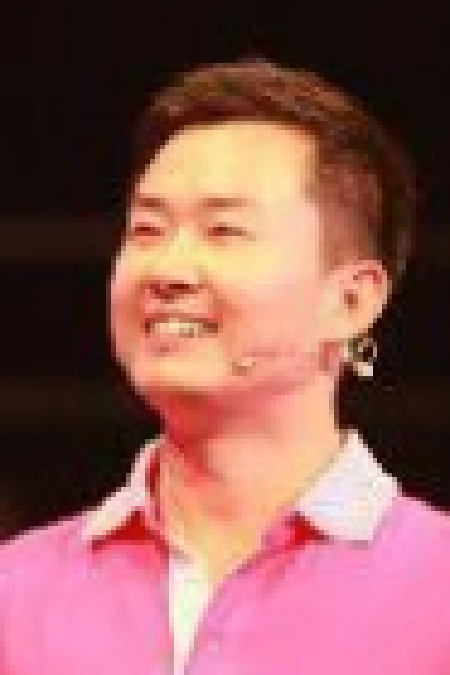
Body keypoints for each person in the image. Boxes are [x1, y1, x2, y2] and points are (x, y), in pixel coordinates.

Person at [1, 56, 449, 675]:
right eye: (147, 229)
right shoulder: (17, 595)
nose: (168, 270)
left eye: (224, 231)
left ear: (351, 301)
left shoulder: (435, 589)